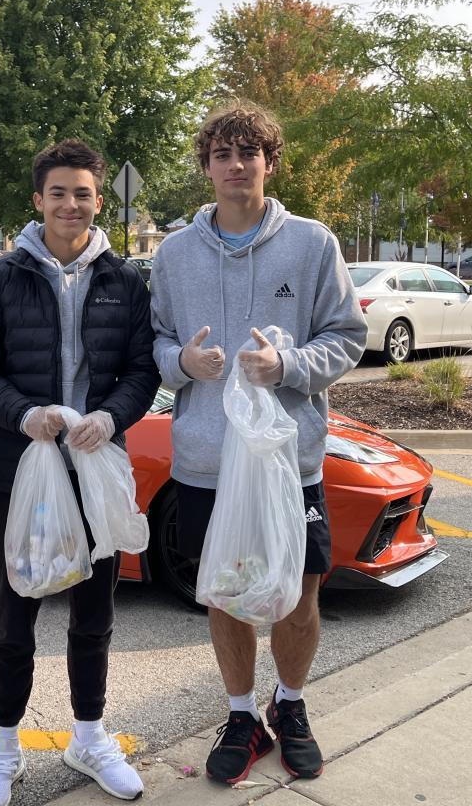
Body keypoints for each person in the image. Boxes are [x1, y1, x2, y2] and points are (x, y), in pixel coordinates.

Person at [149, 100, 365, 784]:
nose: (235, 166)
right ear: (207, 167)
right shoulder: (174, 253)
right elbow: (154, 341)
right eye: (222, 155)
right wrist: (183, 363)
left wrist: (288, 365)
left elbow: (348, 335)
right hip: (207, 462)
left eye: (249, 153)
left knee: (299, 596)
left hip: (288, 462)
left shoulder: (312, 243)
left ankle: (290, 705)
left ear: (270, 163)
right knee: (226, 593)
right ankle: (241, 716)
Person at [0, 139, 160, 805]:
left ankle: (89, 737)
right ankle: (3, 749)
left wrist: (112, 416)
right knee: (14, 616)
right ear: (38, 200)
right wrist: (24, 414)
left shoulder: (123, 280)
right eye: (59, 193)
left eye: (83, 194)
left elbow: (142, 371)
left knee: (94, 615)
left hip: (94, 470)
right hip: (22, 473)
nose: (71, 204)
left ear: (98, 200)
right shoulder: (3, 277)